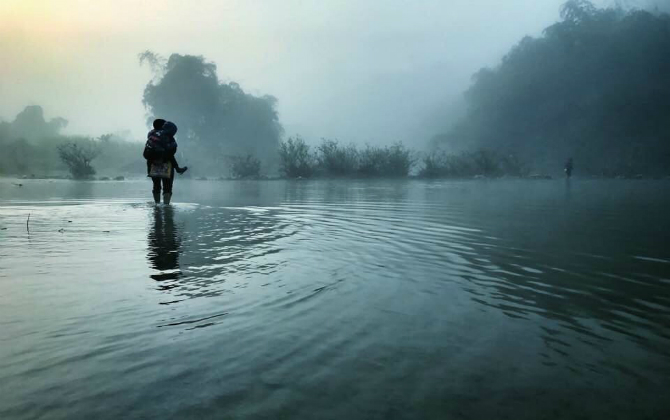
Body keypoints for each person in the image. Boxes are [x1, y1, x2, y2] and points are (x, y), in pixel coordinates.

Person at [144, 119, 187, 205]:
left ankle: (157, 205)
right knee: (167, 187)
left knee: (156, 185)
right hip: (166, 163)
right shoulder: (167, 136)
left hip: (152, 163)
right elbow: (172, 151)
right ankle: (166, 206)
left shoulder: (151, 135)